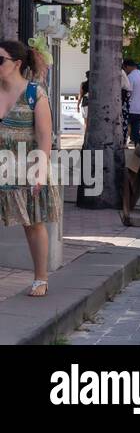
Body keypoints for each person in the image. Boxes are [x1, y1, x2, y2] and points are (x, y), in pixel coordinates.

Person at [0, 39, 59, 297]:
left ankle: (40, 278)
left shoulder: (36, 93)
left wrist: (40, 170)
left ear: (17, 64)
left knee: (33, 223)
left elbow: (45, 137)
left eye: (0, 60)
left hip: (26, 166)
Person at [121, 59, 140, 146]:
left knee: (126, 127)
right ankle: (137, 146)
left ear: (127, 67)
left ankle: (127, 144)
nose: (125, 71)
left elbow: (129, 92)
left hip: (131, 108)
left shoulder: (130, 77)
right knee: (136, 129)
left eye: (125, 68)